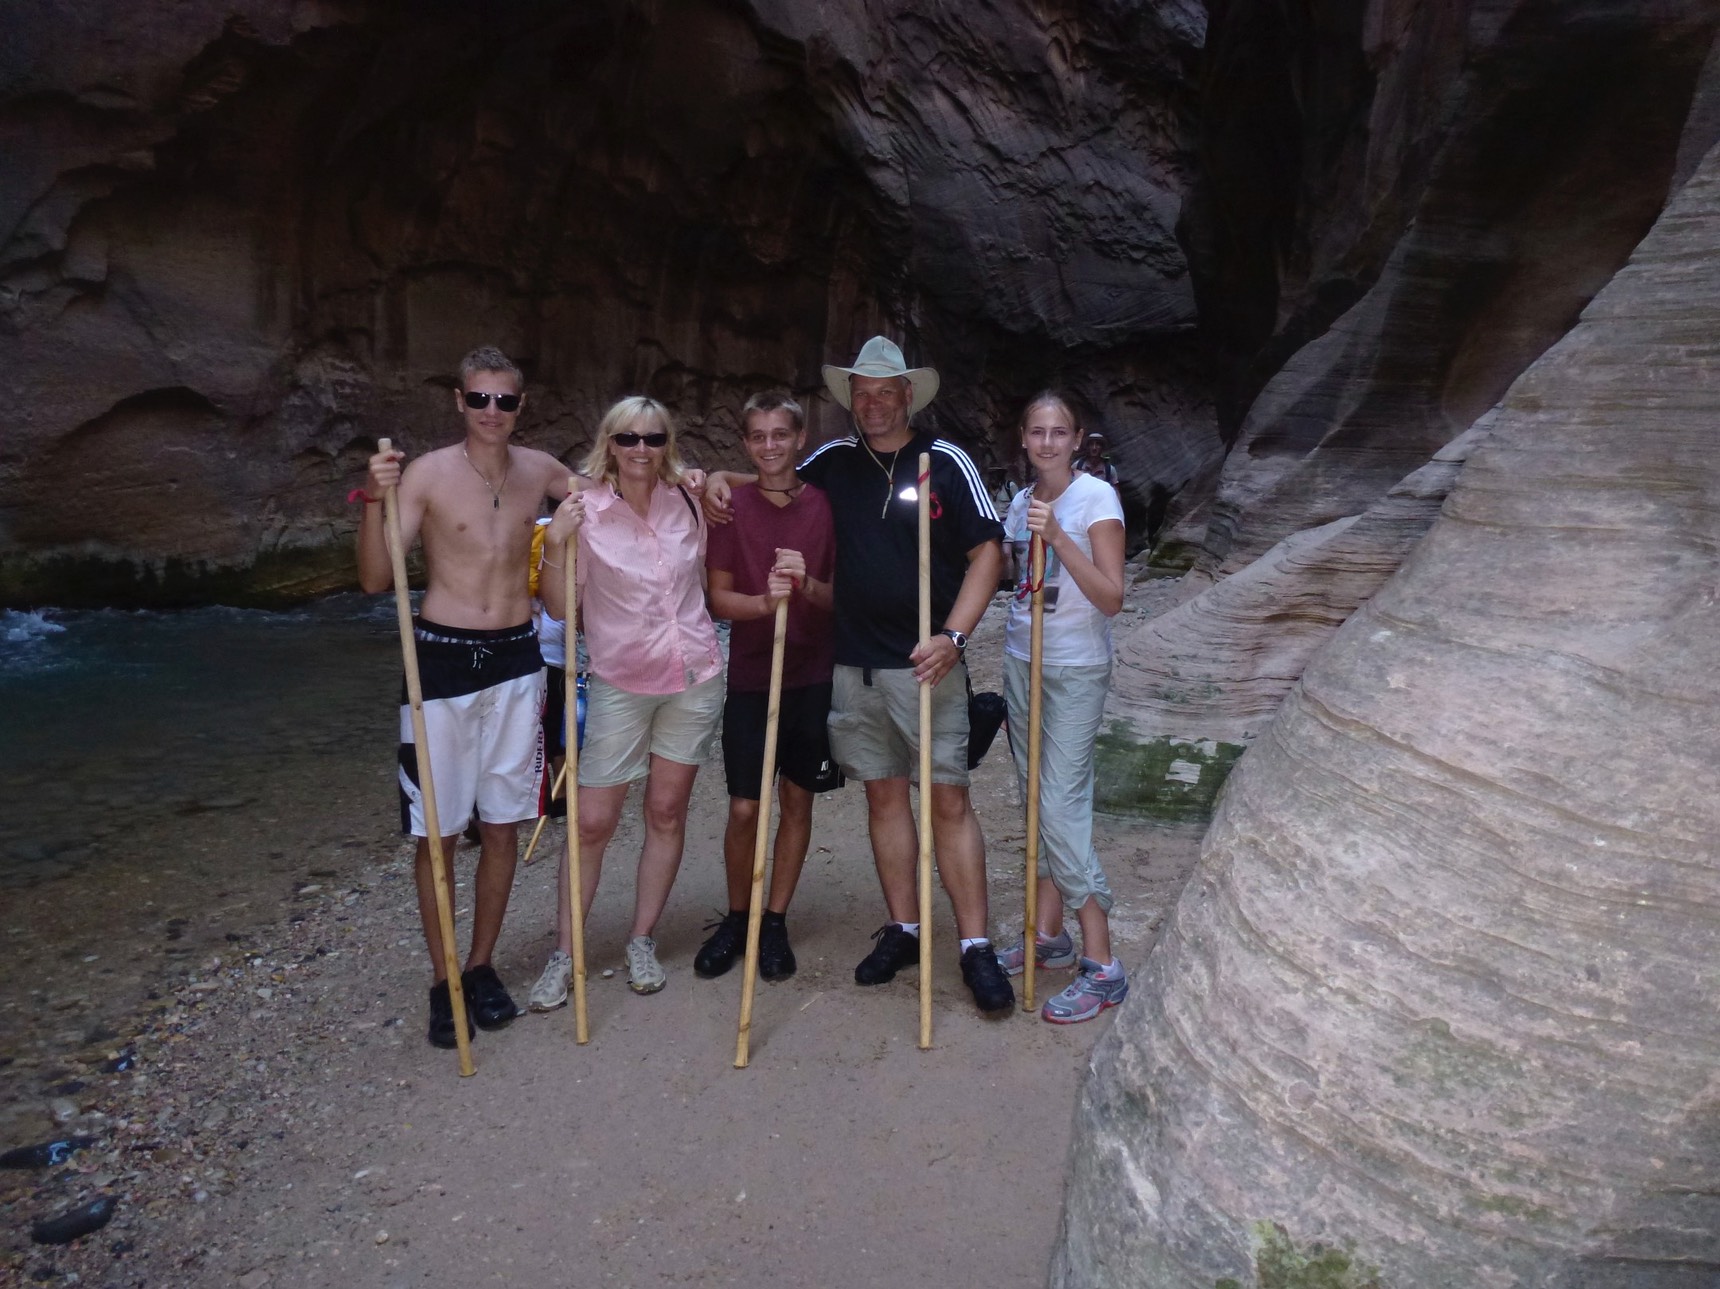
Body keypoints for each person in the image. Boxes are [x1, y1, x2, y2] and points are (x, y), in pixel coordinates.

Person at [705, 337, 1014, 1015]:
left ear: (908, 395)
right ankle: (904, 927)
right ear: (851, 399)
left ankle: (975, 945)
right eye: (862, 393)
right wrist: (713, 482)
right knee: (884, 798)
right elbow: (770, 473)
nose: (872, 404)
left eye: (885, 391)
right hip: (853, 665)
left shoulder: (944, 459)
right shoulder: (833, 463)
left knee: (948, 801)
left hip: (926, 662)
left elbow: (988, 553)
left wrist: (955, 637)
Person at [356, 345, 589, 1049]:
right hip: (441, 662)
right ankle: (444, 979)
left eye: (505, 400)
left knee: (503, 824)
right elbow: (375, 578)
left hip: (518, 658)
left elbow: (624, 483)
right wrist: (373, 498)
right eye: (479, 398)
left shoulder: (540, 471)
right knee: (438, 831)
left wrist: (707, 479)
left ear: (521, 405)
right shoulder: (426, 474)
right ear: (459, 401)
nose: (492, 411)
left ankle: (481, 966)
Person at [529, 396, 724, 1005]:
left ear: (668, 444)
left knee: (665, 812)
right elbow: (560, 608)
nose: (641, 449)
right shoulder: (583, 510)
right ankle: (566, 953)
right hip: (620, 682)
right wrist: (556, 542)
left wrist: (711, 480)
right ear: (609, 444)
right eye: (629, 438)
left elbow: (704, 575)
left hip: (693, 677)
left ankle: (642, 938)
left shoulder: (686, 500)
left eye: (654, 438)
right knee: (592, 823)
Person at [694, 391, 842, 983]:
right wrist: (764, 602)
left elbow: (840, 599)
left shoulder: (825, 506)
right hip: (754, 676)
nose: (769, 446)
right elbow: (717, 596)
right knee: (744, 806)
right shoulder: (731, 509)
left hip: (812, 674)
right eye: (757, 436)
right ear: (745, 443)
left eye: (780, 434)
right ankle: (738, 918)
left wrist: (806, 587)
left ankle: (774, 920)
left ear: (800, 438)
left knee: (796, 800)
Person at [998, 392, 1129, 1022]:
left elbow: (1111, 597)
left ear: (1077, 439)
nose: (1046, 442)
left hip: (1075, 669)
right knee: (1035, 802)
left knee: (1060, 806)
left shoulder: (1096, 499)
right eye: (1037, 432)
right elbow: (1016, 579)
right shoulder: (1020, 502)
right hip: (1023, 660)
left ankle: (1102, 963)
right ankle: (1047, 936)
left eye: (1058, 432)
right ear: (1023, 438)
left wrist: (1058, 538)